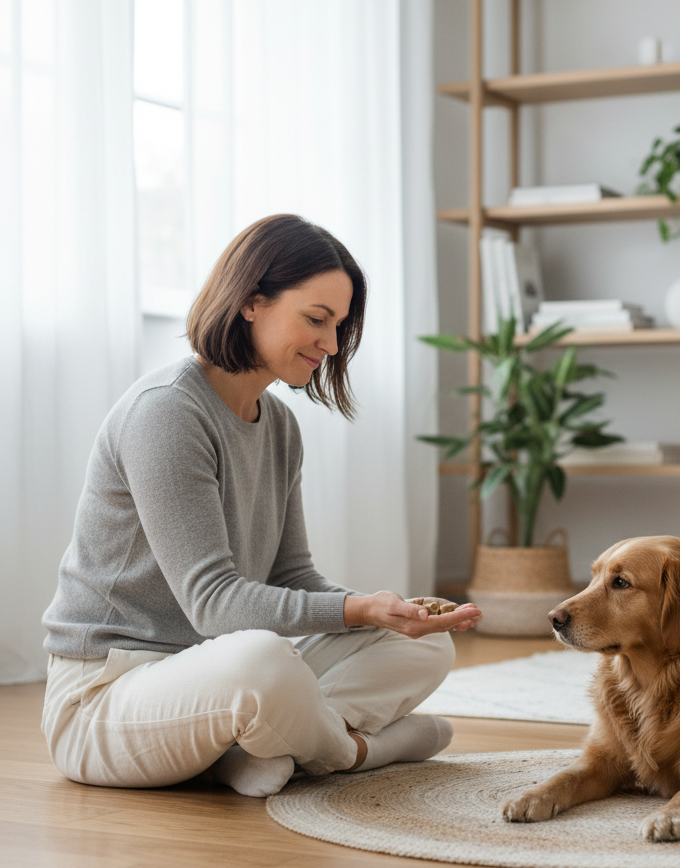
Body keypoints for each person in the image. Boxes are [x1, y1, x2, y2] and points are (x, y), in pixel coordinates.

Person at [41, 213, 481, 798]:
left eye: (339, 325)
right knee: (261, 659)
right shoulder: (167, 413)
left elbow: (291, 576)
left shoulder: (278, 425)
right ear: (251, 302)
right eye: (316, 319)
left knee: (423, 643)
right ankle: (352, 752)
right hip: (105, 698)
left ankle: (255, 749)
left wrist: (387, 613)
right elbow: (214, 606)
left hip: (204, 679)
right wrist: (357, 610)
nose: (330, 344)